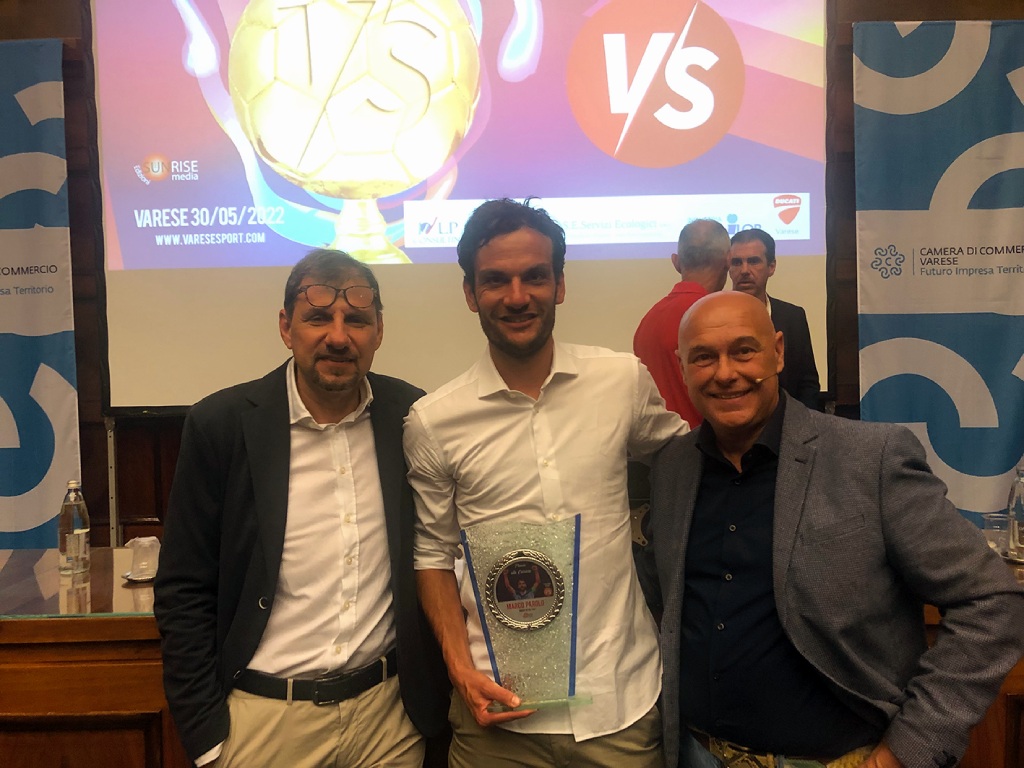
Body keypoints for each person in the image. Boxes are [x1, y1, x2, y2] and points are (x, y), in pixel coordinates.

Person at [638, 291, 1024, 768]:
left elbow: (991, 602)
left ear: (778, 352)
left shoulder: (871, 458)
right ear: (682, 368)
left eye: (743, 350)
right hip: (694, 752)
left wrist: (909, 750)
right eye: (703, 357)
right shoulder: (672, 468)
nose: (725, 372)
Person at [405, 198, 688, 768]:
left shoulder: (621, 382)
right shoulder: (434, 421)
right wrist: (458, 669)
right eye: (495, 281)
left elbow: (689, 459)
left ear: (560, 284)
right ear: (470, 294)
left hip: (620, 708)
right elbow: (432, 556)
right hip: (495, 721)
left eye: (535, 276)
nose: (517, 297)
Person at [153, 249, 449, 768]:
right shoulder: (221, 425)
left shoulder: (410, 417)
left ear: (379, 331)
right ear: (286, 327)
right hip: (266, 723)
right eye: (318, 318)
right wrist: (206, 738)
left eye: (356, 320)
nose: (338, 337)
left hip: (388, 723)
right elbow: (183, 589)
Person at [633, 218, 731, 425]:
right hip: (709, 442)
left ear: (676, 262)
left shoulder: (648, 322)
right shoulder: (719, 319)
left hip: (662, 444)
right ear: (728, 260)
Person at [729, 228, 820, 409]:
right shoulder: (715, 318)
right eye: (737, 262)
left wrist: (800, 424)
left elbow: (808, 383)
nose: (744, 270)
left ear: (771, 267)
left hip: (788, 420)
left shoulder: (793, 317)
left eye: (753, 261)